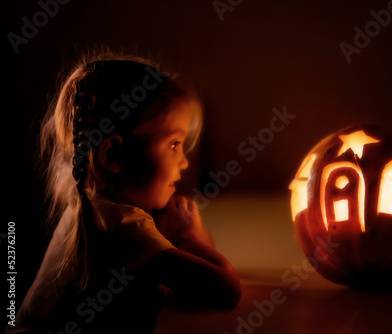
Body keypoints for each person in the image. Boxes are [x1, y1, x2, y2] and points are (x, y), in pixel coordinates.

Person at [6, 51, 240, 334]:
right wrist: (188, 237)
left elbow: (182, 282)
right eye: (174, 144)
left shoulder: (91, 200)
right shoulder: (122, 226)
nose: (185, 161)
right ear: (113, 153)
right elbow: (226, 291)